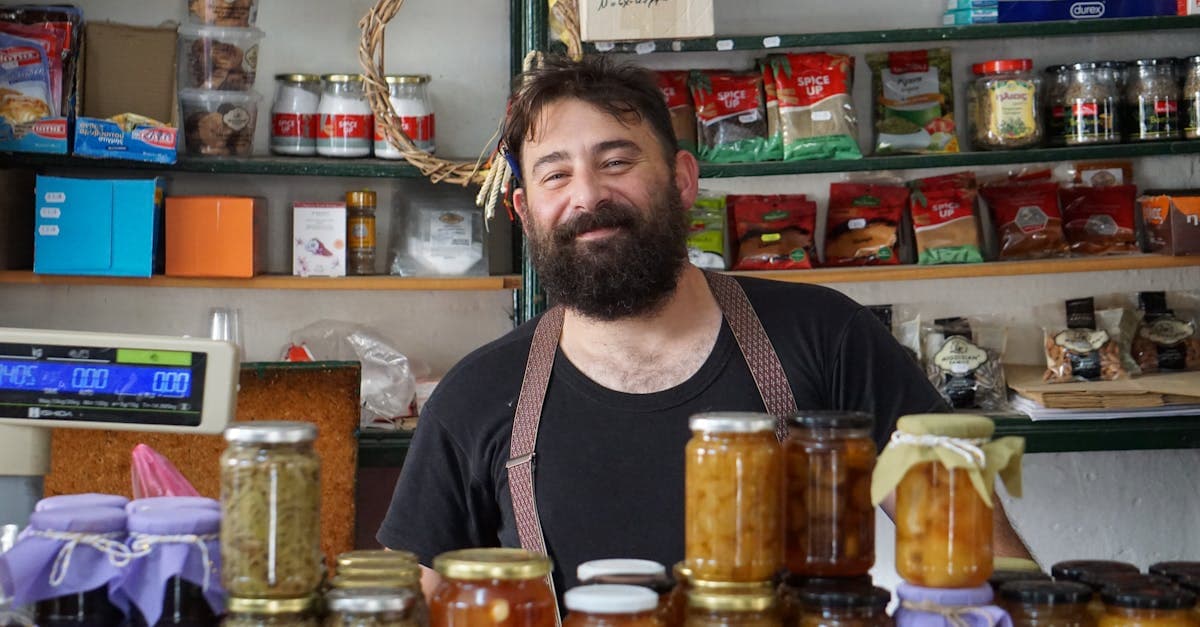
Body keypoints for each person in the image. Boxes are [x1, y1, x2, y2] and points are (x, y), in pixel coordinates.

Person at [377, 55, 1033, 600]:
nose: (588, 196)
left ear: (683, 179)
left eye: (617, 161)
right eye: (556, 174)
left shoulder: (829, 338)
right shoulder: (477, 396)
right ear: (524, 212)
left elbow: (983, 564)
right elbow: (414, 604)